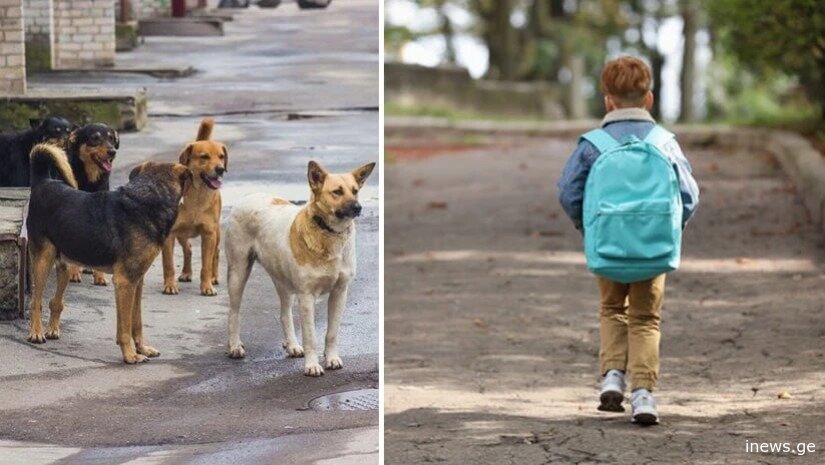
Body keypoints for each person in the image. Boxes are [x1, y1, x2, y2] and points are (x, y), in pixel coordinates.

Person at [557, 56, 699, 425]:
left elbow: (568, 191)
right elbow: (689, 195)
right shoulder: (665, 143)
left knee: (612, 310)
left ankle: (612, 377)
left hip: (607, 246)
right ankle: (644, 395)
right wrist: (669, 229)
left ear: (607, 100)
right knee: (646, 318)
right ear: (649, 98)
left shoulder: (593, 144)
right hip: (653, 248)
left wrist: (588, 227)